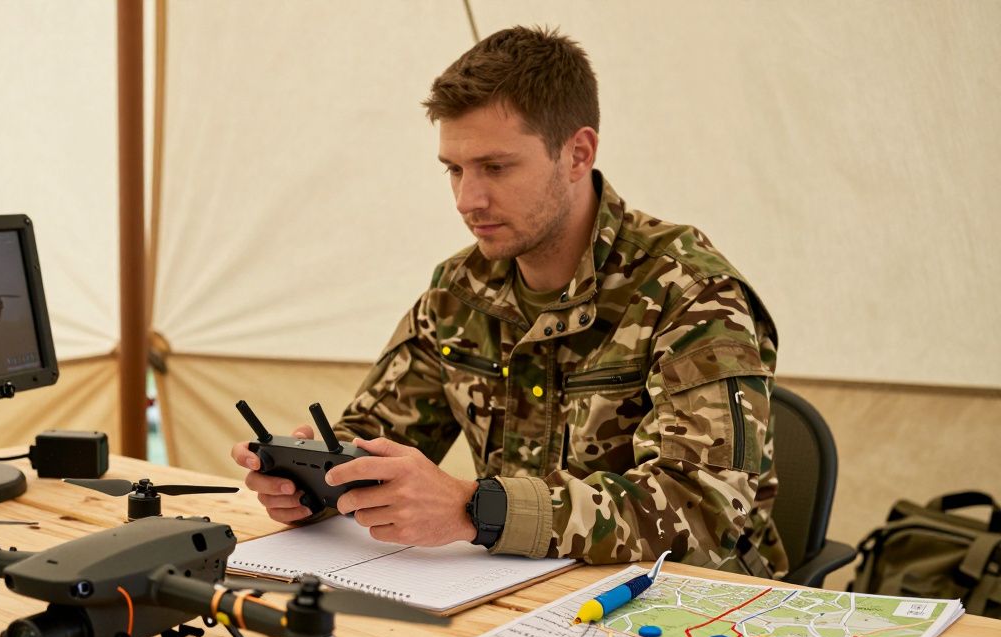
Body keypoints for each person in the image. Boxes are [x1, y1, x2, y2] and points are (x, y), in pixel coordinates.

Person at [231, 26, 787, 579]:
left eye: (495, 167)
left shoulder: (688, 289)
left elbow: (705, 512)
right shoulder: (459, 291)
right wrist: (317, 483)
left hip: (690, 607)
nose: (467, 200)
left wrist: (476, 509)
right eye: (454, 169)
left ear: (577, 153)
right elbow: (377, 439)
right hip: (518, 593)